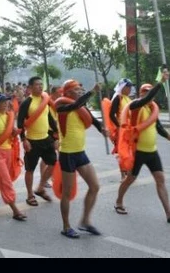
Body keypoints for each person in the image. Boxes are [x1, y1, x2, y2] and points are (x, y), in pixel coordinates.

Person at [114, 66, 170, 223]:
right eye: (145, 92)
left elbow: (158, 127)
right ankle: (118, 201)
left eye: (149, 92)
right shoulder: (135, 106)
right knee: (130, 179)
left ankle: (169, 212)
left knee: (160, 179)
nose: (148, 95)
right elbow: (147, 99)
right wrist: (160, 82)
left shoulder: (152, 109)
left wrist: (169, 136)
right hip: (138, 151)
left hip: (152, 151)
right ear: (141, 94)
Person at [53, 80, 106, 238]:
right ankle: (66, 227)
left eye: (80, 89)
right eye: (77, 89)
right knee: (67, 193)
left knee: (95, 186)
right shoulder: (61, 105)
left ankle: (85, 221)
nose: (80, 91)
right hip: (67, 154)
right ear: (68, 92)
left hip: (80, 152)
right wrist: (92, 91)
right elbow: (75, 105)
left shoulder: (80, 106)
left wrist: (102, 129)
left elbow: (93, 120)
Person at [17, 76, 59, 207]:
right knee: (30, 169)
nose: (40, 87)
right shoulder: (27, 103)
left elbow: (50, 118)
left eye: (41, 84)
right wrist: (24, 140)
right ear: (30, 87)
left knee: (53, 162)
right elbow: (19, 124)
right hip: (32, 141)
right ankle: (30, 195)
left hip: (46, 139)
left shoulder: (44, 100)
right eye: (37, 85)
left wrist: (56, 135)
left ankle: (40, 187)